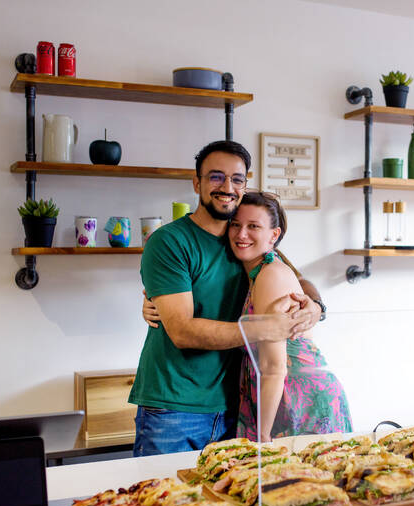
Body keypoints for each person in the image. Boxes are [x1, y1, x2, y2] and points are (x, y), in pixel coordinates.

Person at [131, 140, 323, 457]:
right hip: (176, 407)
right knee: (167, 503)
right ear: (197, 183)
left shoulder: (244, 241)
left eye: (236, 179)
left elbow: (294, 277)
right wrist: (264, 328)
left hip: (236, 405)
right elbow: (181, 331)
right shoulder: (169, 242)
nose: (227, 187)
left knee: (228, 503)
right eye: (216, 177)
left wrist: (316, 307)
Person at [143, 191, 352, 442]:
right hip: (274, 397)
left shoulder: (270, 274)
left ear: (274, 235)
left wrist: (261, 437)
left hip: (300, 401)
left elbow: (274, 367)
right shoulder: (250, 269)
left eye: (253, 226)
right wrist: (157, 300)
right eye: (236, 225)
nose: (242, 234)